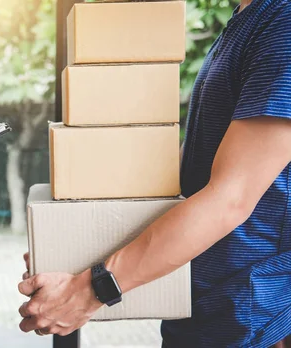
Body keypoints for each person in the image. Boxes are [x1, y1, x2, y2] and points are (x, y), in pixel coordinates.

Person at [18, 0, 291, 347]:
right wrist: (71, 249)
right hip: (206, 310)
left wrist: (89, 292)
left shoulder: (284, 21)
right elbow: (185, 177)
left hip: (256, 318)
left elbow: (230, 199)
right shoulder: (247, 18)